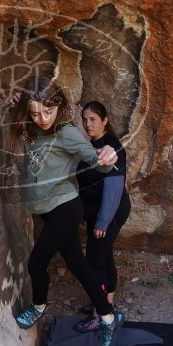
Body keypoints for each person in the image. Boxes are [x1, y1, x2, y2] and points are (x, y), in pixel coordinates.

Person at [10, 78, 124, 346]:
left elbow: (94, 156)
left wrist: (108, 155)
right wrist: (14, 103)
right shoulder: (30, 126)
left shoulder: (66, 132)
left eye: (48, 111)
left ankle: (38, 307)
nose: (42, 118)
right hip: (47, 211)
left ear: (58, 106)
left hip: (66, 208)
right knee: (79, 266)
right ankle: (108, 317)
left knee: (36, 263)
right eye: (35, 112)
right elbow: (19, 116)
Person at [74, 101, 132, 332]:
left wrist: (102, 221)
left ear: (105, 120)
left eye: (93, 120)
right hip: (101, 212)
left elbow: (114, 186)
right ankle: (105, 304)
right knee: (104, 257)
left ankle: (101, 316)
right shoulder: (96, 144)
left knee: (94, 263)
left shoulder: (111, 148)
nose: (88, 124)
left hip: (110, 212)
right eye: (85, 119)